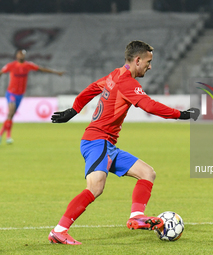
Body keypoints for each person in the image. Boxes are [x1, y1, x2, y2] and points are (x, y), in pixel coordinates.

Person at [48, 40, 200, 245]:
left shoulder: (115, 75)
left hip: (106, 144)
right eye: (148, 61)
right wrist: (182, 115)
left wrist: (74, 110)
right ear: (137, 60)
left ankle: (136, 215)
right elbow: (149, 105)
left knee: (147, 173)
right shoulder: (127, 82)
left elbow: (93, 88)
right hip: (97, 141)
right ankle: (59, 230)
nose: (150, 66)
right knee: (95, 188)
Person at [0, 49, 64, 144]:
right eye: (20, 54)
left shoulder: (28, 65)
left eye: (23, 54)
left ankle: (2, 135)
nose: (21, 56)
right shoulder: (11, 66)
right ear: (16, 55)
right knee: (11, 111)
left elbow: (41, 69)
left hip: (20, 94)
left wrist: (56, 72)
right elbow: (1, 72)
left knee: (11, 116)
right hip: (11, 93)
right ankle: (7, 137)